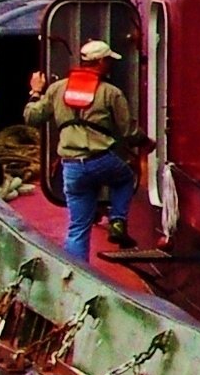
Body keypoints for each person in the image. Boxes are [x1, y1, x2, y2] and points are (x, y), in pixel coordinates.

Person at [30, 39, 138, 267]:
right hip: (101, 161)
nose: (110, 64)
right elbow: (128, 130)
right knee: (126, 178)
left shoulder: (57, 89)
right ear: (99, 62)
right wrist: (146, 143)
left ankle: (76, 272)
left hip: (71, 167)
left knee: (78, 227)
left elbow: (32, 117)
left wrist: (35, 91)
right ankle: (117, 220)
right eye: (107, 60)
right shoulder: (111, 92)